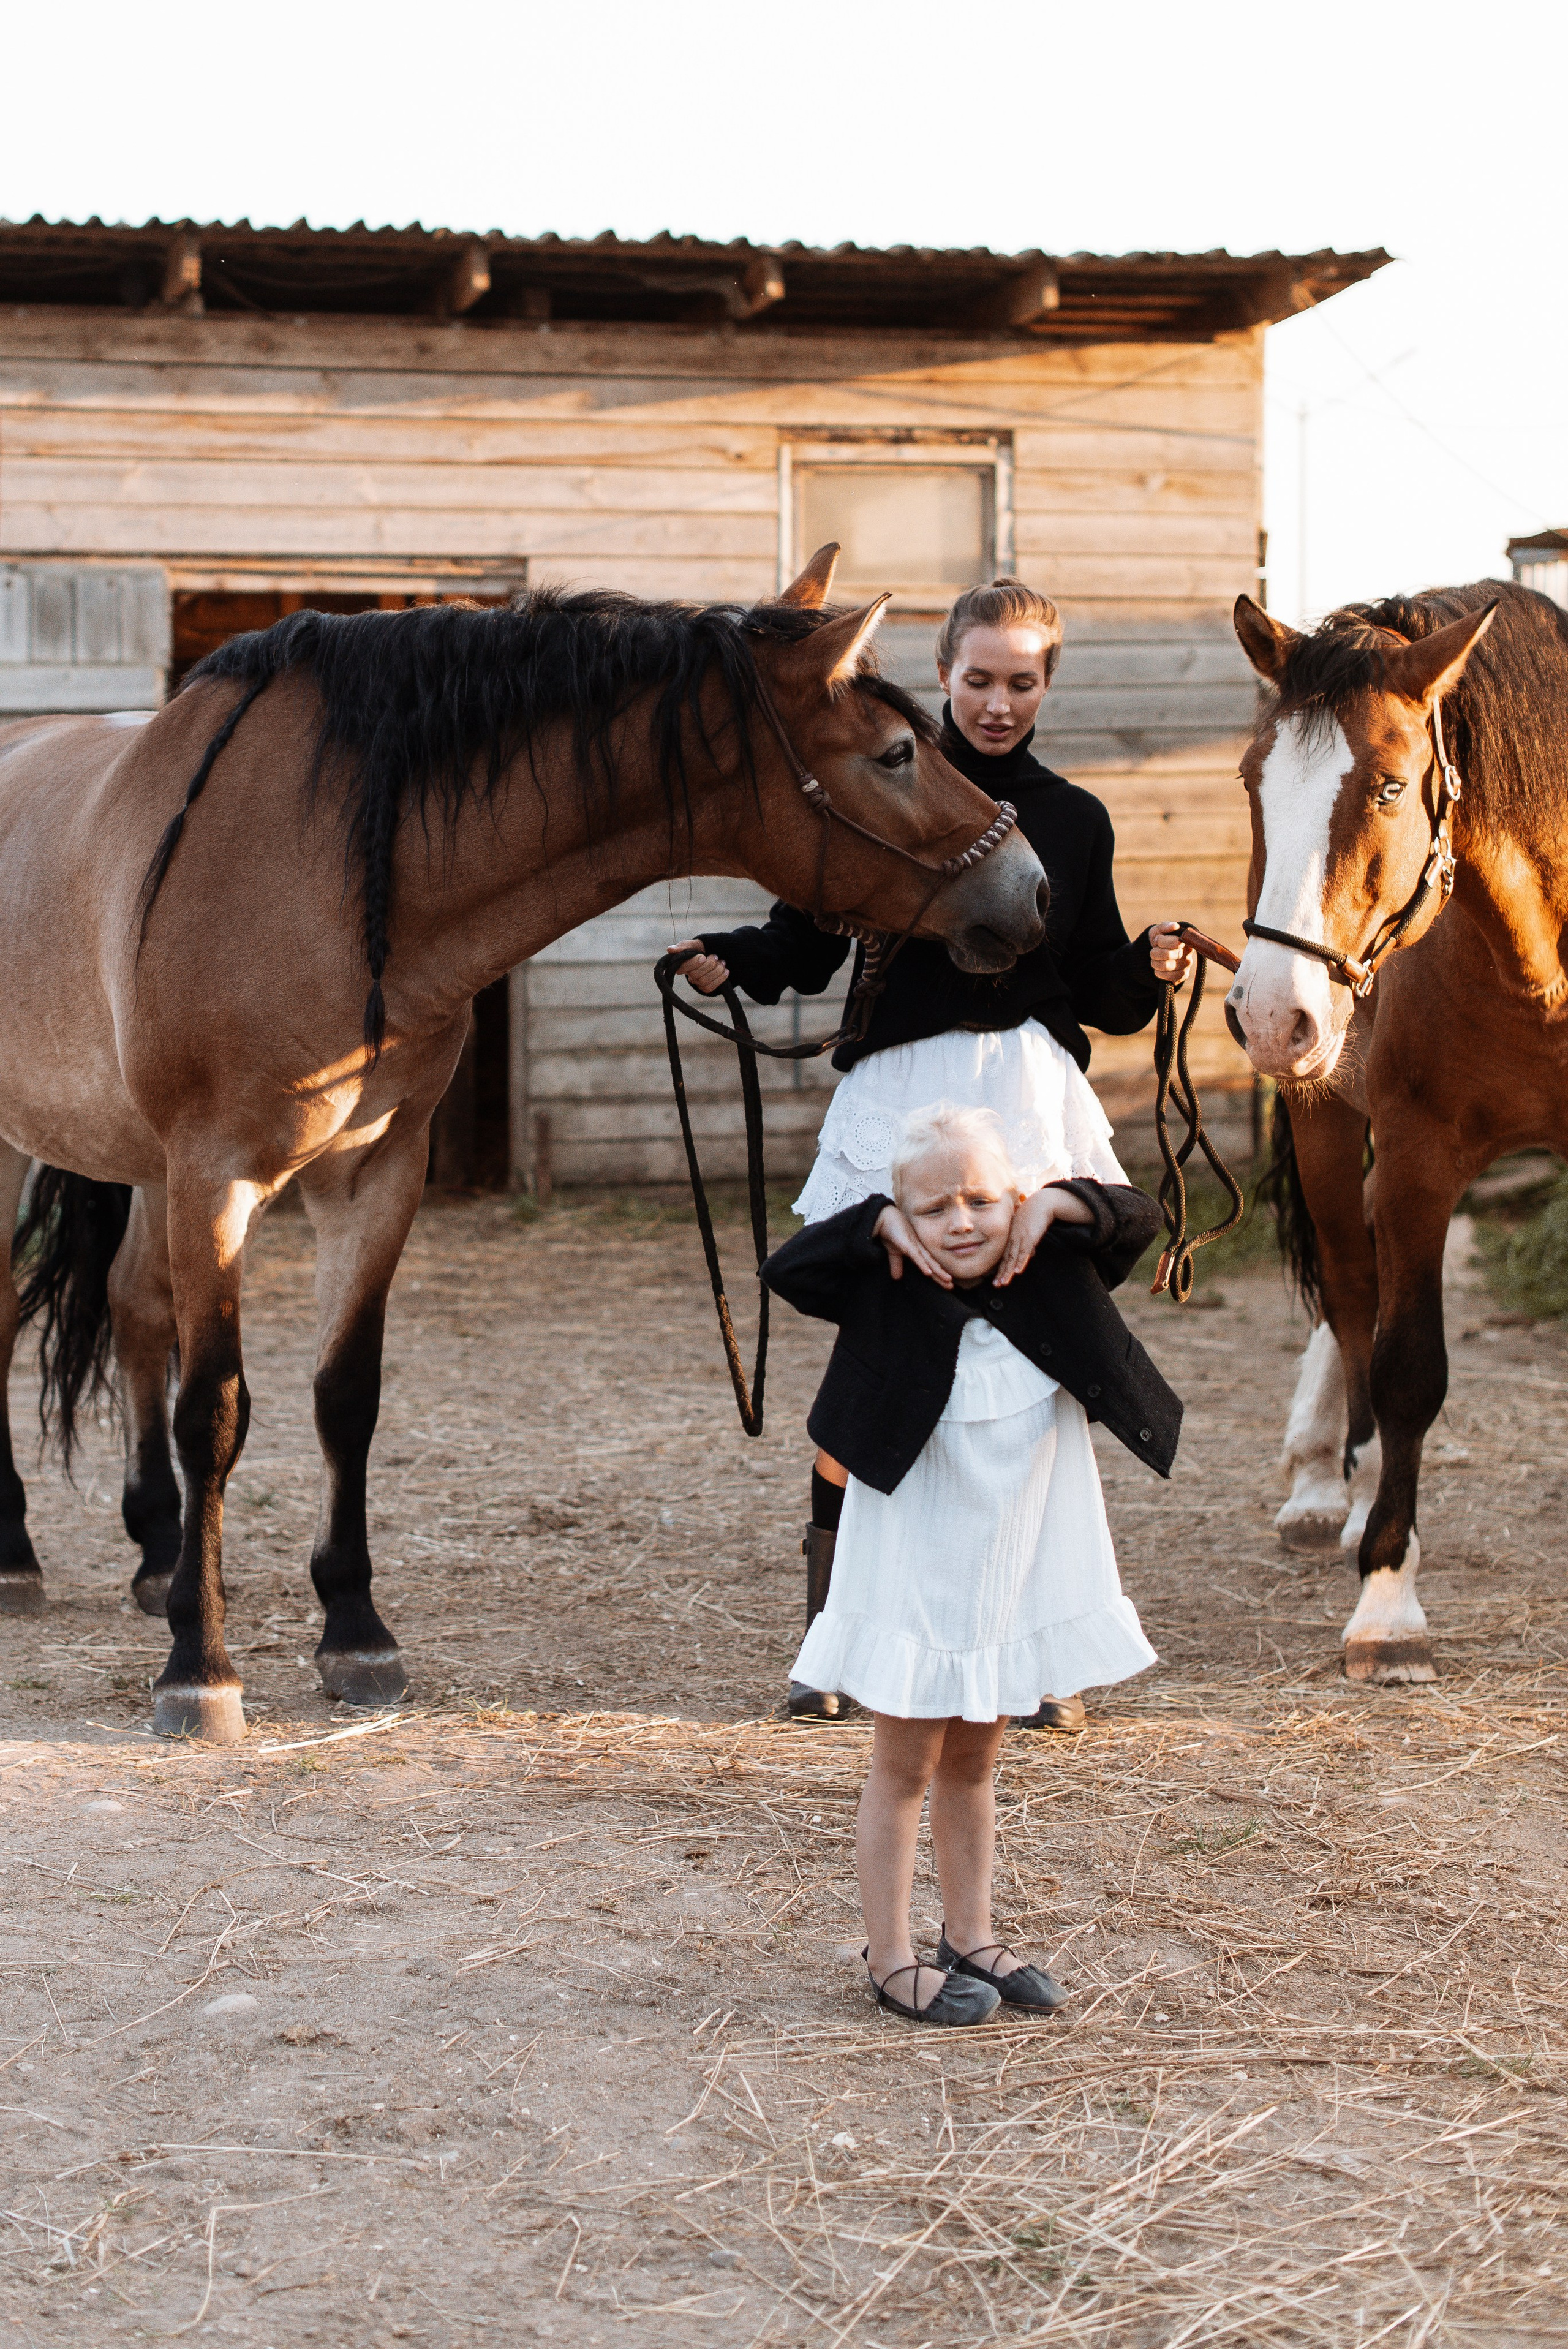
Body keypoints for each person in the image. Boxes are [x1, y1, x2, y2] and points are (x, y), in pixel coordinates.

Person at [673, 575, 1192, 1728]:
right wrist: (736, 959)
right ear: (946, 672)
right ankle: (835, 1642)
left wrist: (1147, 968)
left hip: (1023, 1098)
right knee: (883, 1347)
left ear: (1047, 684)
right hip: (904, 1099)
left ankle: (1034, 1650)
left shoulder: (1075, 819)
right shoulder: (883, 772)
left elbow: (1101, 991)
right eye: (978, 678)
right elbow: (805, 938)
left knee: (1034, 1362)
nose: (998, 702)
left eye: (1022, 681)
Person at [760, 1103, 1176, 2024]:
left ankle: (972, 1934)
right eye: (935, 1207)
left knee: (978, 1762)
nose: (962, 1221)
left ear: (1013, 1201)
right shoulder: (887, 1275)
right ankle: (892, 1954)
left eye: (982, 1200)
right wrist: (876, 1223)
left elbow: (1141, 1214)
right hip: (917, 1565)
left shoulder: (1048, 1265)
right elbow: (787, 1269)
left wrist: (1055, 1205)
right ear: (906, 1218)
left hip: (1008, 1565)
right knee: (905, 1763)